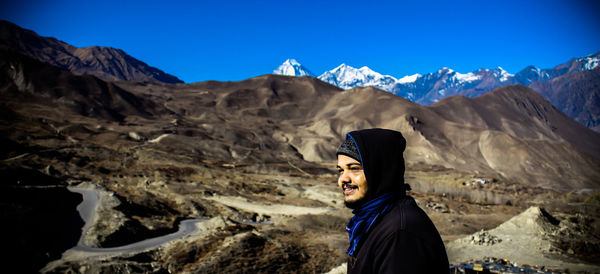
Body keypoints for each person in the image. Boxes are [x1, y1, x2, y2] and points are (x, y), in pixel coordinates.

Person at [336, 128, 449, 273]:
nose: (343, 179)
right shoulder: (372, 220)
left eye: (355, 168)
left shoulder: (400, 233)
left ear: (381, 171)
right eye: (341, 170)